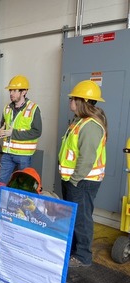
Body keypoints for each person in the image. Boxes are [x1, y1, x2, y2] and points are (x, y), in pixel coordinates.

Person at [58, 80, 107, 268]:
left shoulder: (91, 126)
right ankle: (73, 251)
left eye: (72, 98)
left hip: (83, 181)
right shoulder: (80, 122)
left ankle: (83, 256)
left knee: (81, 219)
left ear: (81, 101)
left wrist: (74, 180)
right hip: (74, 180)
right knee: (73, 217)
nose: (70, 101)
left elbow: (86, 159)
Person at [0, 75, 42, 184]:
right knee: (0, 181)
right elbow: (3, 125)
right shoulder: (7, 108)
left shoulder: (33, 109)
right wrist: (0, 131)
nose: (11, 93)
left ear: (24, 91)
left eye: (15, 91)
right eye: (10, 90)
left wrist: (13, 133)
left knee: (22, 185)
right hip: (7, 153)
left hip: (23, 156)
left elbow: (37, 132)